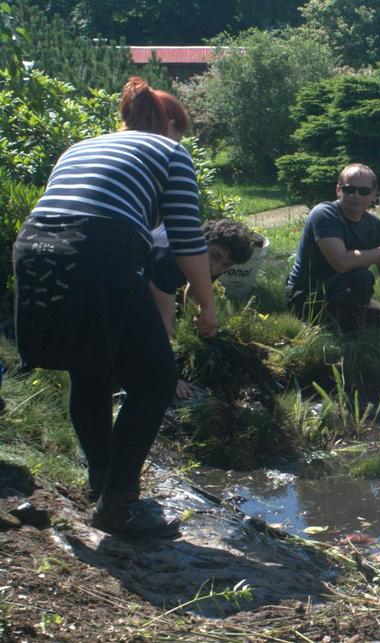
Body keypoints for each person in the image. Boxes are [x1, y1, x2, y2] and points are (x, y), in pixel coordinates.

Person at [13, 77, 217, 538]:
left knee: (90, 368)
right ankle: (119, 503)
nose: (179, 139)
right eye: (179, 131)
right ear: (169, 123)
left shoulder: (80, 146)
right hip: (99, 248)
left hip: (35, 246)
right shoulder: (169, 152)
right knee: (156, 380)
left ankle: (102, 483)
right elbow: (187, 239)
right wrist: (206, 305)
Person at [285, 163, 380, 352]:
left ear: (373, 195)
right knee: (361, 278)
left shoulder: (376, 228)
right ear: (338, 190)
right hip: (307, 296)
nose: (355, 195)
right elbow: (341, 262)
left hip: (345, 294)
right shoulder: (324, 214)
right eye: (349, 189)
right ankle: (348, 345)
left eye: (363, 191)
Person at [149, 219, 256, 398]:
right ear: (203, 240)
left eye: (226, 265)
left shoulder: (203, 256)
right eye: (215, 256)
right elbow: (162, 325)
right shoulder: (171, 260)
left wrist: (194, 325)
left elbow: (195, 290)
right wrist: (170, 377)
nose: (216, 268)